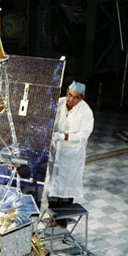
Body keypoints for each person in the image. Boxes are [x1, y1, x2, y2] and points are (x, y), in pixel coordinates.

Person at [47, 80, 94, 227]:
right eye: (69, 95)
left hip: (72, 155)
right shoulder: (59, 103)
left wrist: (63, 136)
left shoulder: (86, 112)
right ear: (66, 91)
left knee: (68, 188)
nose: (70, 100)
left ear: (82, 98)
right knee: (53, 186)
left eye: (75, 97)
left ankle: (63, 220)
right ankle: (53, 216)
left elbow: (83, 135)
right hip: (57, 152)